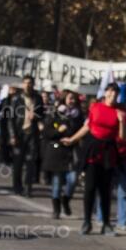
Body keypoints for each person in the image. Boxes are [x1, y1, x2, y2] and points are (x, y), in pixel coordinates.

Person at [62, 81, 126, 235]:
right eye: (110, 92)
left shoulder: (121, 111)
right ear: (105, 93)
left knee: (105, 190)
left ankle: (106, 224)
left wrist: (122, 121)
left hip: (109, 151)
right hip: (92, 150)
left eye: (115, 93)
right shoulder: (95, 107)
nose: (112, 95)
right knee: (89, 188)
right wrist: (72, 139)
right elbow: (87, 127)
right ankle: (87, 222)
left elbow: (122, 138)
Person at [40, 90, 82, 218]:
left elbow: (83, 132)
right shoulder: (55, 114)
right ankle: (56, 208)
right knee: (57, 182)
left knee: (73, 179)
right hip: (57, 151)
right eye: (70, 98)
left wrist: (73, 139)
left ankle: (66, 199)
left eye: (74, 99)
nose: (72, 101)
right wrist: (59, 131)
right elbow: (47, 133)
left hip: (71, 152)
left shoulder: (78, 116)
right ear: (64, 99)